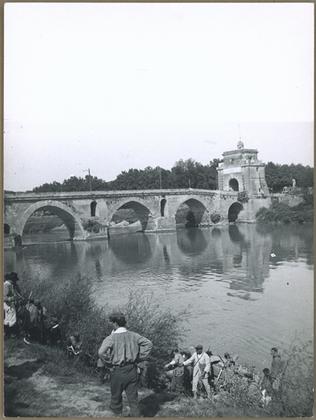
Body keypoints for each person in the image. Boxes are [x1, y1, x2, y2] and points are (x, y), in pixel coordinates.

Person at [98, 312, 152, 417]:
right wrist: (139, 357)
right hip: (132, 369)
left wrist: (108, 363)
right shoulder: (134, 335)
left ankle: (117, 415)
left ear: (114, 323)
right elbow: (149, 344)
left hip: (117, 370)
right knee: (133, 400)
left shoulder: (111, 338)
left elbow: (100, 352)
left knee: (116, 399)